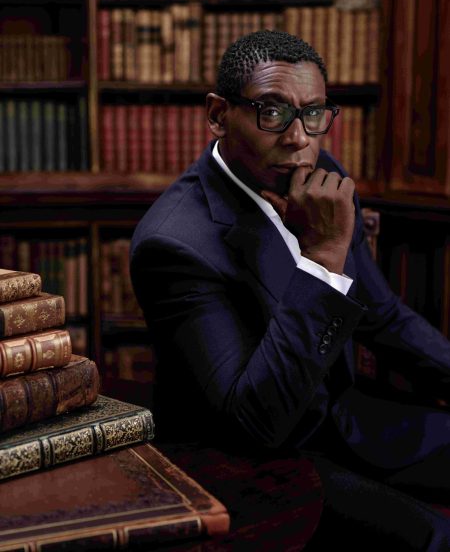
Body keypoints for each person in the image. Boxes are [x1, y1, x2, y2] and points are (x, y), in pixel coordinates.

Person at [130, 30, 450, 550]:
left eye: (315, 113)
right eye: (272, 112)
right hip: (263, 464)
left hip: (345, 420)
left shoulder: (319, 176)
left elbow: (383, 316)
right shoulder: (174, 244)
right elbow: (254, 423)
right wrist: (322, 258)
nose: (299, 138)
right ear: (217, 114)